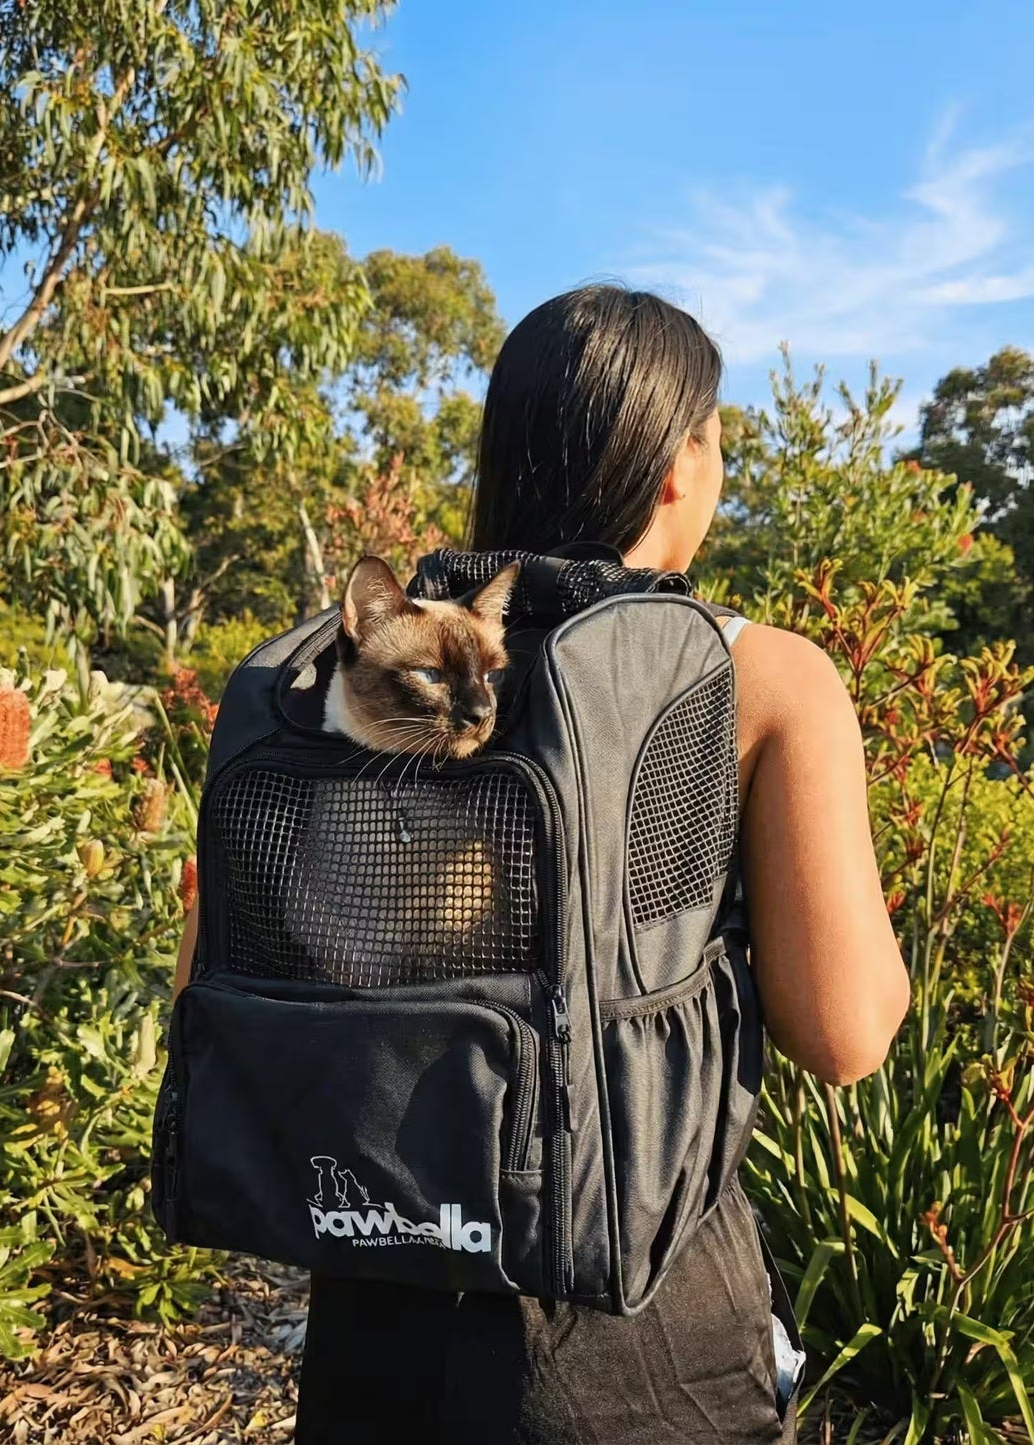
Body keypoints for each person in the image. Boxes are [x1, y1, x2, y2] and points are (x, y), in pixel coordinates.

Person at [172, 284, 910, 1443]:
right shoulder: (763, 675)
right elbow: (844, 1033)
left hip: (371, 1289)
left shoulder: (344, 676)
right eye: (715, 438)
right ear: (678, 464)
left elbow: (204, 983)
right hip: (633, 1319)